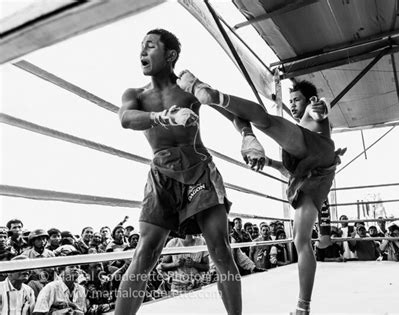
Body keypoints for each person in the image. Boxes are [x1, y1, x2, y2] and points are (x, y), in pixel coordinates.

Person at [114, 28, 265, 315]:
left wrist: (247, 135)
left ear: (170, 55)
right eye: (141, 47)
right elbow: (126, 119)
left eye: (149, 47)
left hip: (199, 172)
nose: (142, 53)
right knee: (145, 253)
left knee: (220, 250)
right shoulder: (135, 94)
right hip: (162, 173)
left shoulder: (188, 87)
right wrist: (163, 116)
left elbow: (230, 109)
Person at [177, 71, 344, 314]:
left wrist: (320, 106)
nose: (293, 104)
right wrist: (267, 162)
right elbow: (287, 170)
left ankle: (213, 95)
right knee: (301, 241)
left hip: (316, 159)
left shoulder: (313, 113)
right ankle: (303, 307)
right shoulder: (295, 139)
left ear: (308, 100)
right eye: (292, 101)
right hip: (313, 178)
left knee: (263, 120)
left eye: (297, 100)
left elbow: (321, 108)